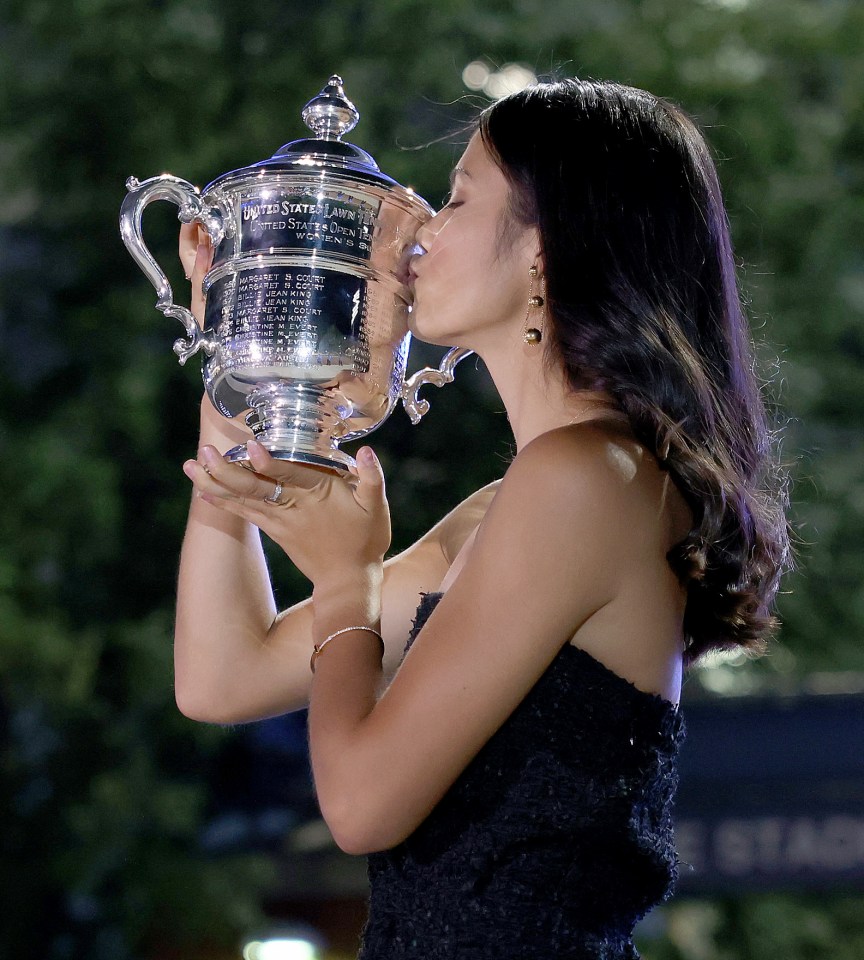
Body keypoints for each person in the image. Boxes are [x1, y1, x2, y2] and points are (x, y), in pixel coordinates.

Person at [174, 79, 790, 959]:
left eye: (459, 199)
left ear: (546, 250)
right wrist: (242, 370)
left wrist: (348, 581)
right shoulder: (516, 505)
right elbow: (222, 678)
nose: (421, 229)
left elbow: (361, 804)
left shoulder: (586, 480)